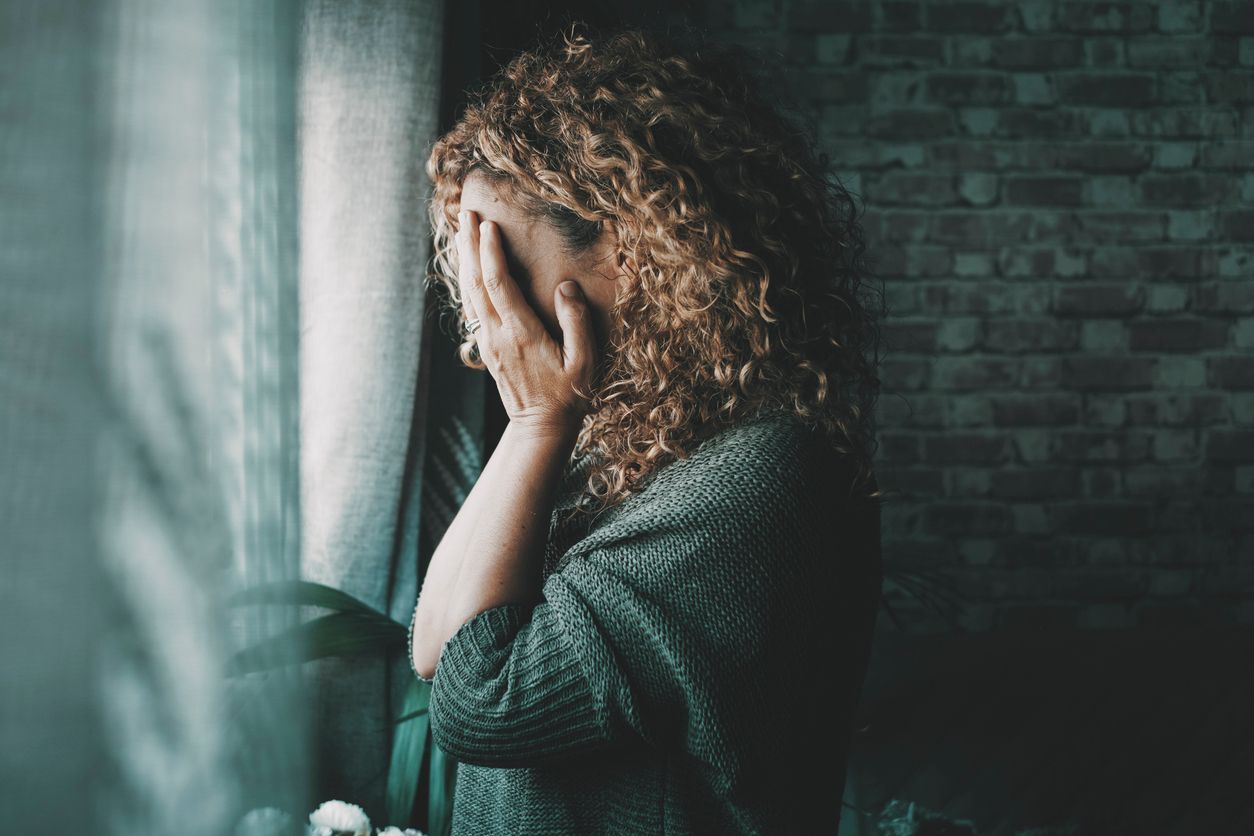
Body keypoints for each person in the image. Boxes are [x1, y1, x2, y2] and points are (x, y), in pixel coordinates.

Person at [409, 20, 884, 835]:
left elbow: (480, 700)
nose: (486, 333)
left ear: (636, 251)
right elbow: (436, 649)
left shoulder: (758, 483)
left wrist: (533, 422)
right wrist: (541, 425)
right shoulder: (620, 435)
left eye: (504, 273)